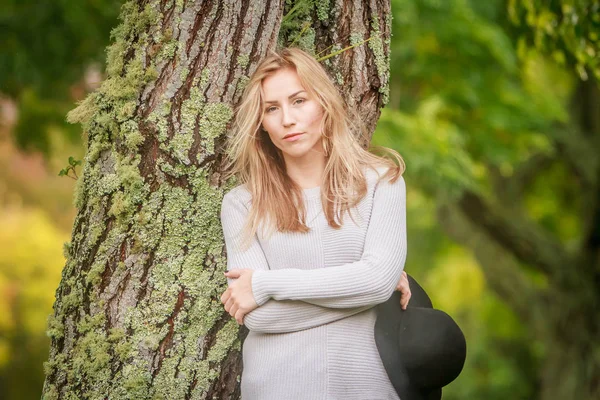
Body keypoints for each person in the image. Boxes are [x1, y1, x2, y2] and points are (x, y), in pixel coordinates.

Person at [219, 47, 410, 400]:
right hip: (276, 388)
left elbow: (377, 283)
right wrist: (363, 289)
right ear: (260, 122)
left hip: (363, 386)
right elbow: (259, 318)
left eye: (299, 101)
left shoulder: (382, 181)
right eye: (271, 109)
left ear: (323, 103)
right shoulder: (242, 204)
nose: (287, 119)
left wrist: (265, 285)